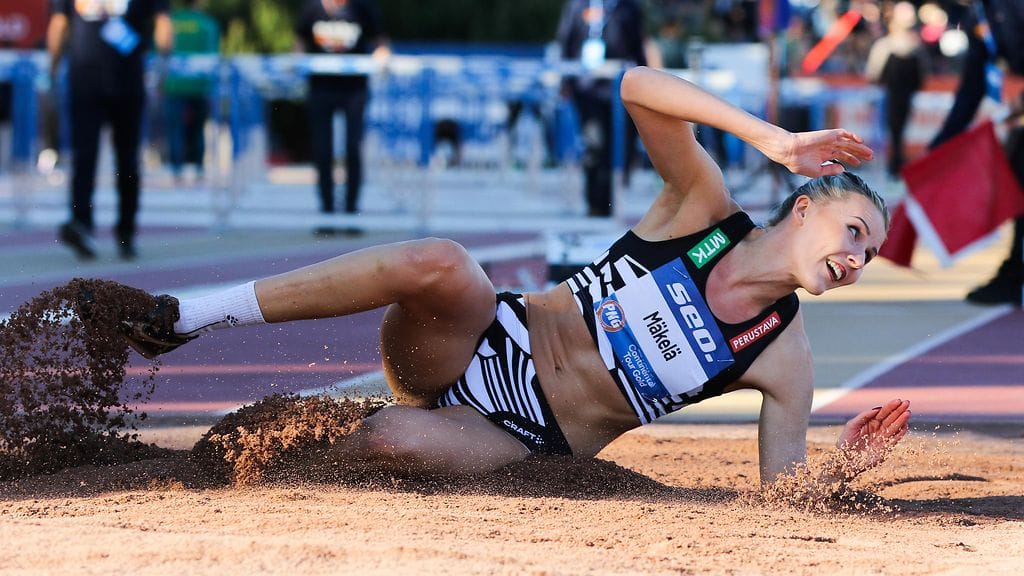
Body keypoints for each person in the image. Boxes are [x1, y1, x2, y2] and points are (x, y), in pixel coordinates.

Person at [105, 66, 910, 487]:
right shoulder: (702, 209)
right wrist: (768, 135)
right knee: (442, 262)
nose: (857, 259)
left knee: (389, 438)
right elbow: (636, 89)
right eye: (854, 233)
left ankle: (251, 458)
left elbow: (780, 497)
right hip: (480, 341)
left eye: (869, 256)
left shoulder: (784, 357)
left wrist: (843, 469)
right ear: (802, 209)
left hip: (522, 437)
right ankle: (189, 314)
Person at [48, 0, 173, 260]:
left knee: (87, 158)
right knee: (123, 160)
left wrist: (53, 67)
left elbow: (59, 25)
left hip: (87, 80)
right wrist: (162, 64)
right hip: (120, 81)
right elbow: (163, 25)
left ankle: (88, 224)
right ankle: (117, 231)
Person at [930, 0, 1024, 306]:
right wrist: (942, 142)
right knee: (1017, 175)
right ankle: (1014, 272)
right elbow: (972, 85)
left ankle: (1014, 272)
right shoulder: (977, 14)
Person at [294, 0, 388, 235]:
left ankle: (351, 213)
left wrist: (382, 56)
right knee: (322, 150)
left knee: (353, 148)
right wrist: (296, 60)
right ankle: (326, 212)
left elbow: (380, 42)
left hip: (354, 89)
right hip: (321, 88)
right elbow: (299, 42)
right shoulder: (311, 9)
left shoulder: (363, 8)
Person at [557, 0, 647, 217]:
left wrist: (645, 81)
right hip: (587, 89)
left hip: (620, 88)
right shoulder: (577, 5)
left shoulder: (628, 7)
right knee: (594, 143)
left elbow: (638, 46)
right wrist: (565, 80)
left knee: (620, 146)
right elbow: (565, 41)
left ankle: (613, 199)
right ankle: (596, 203)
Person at [865, 1, 927, 179]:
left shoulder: (911, 47)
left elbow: (873, 74)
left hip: (901, 97)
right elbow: (874, 75)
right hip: (890, 97)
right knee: (891, 133)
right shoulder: (887, 46)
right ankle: (892, 166)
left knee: (896, 133)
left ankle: (895, 166)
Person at [161, 0, 219, 184]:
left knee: (174, 130)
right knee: (199, 130)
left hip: (173, 84)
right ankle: (200, 170)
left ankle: (176, 171)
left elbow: (161, 48)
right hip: (200, 85)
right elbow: (212, 55)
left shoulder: (171, 21)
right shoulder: (207, 24)